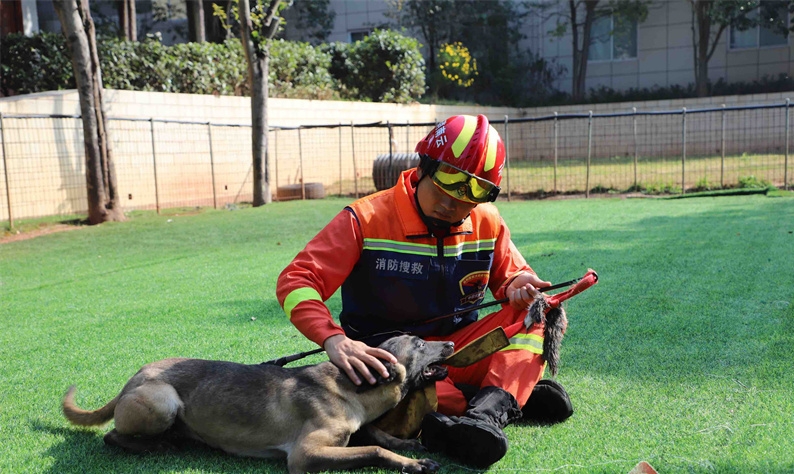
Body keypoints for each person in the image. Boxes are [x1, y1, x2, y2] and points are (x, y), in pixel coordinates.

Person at [277, 114, 572, 468]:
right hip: (387, 361)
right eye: (444, 187)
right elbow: (297, 280)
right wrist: (334, 340)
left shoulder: (488, 221)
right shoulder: (365, 218)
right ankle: (506, 396)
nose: (453, 204)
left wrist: (519, 284)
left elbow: (513, 276)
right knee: (410, 401)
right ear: (424, 167)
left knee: (535, 313)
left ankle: (486, 415)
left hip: (455, 352)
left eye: (469, 195)